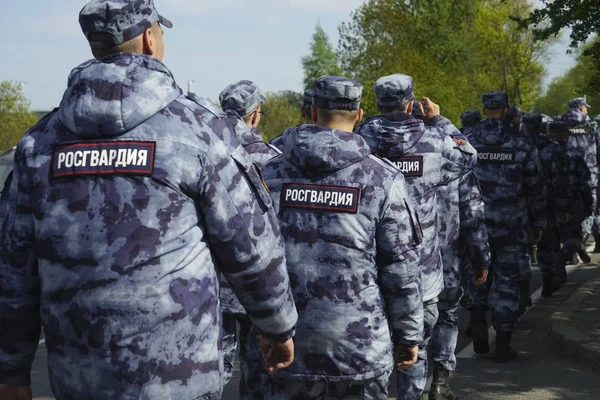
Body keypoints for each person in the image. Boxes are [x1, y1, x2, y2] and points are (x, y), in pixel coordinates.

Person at [0, 1, 298, 399]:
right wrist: (277, 327)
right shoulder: (198, 129)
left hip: (78, 380)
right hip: (180, 379)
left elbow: (14, 270)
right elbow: (249, 244)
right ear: (149, 38)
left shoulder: (39, 144)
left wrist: (12, 371)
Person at [259, 75, 425, 399]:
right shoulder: (383, 178)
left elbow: (252, 259)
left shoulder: (269, 173)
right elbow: (401, 269)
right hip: (359, 351)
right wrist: (408, 336)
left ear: (311, 111)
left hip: (286, 347)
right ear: (360, 115)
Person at [355, 73, 477, 400]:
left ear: (377, 104)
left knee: (374, 345)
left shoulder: (359, 140)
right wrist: (438, 120)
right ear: (412, 104)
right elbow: (468, 156)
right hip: (421, 270)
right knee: (417, 344)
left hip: (370, 267)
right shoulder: (433, 141)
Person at [465, 91, 546, 362]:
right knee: (507, 284)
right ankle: (503, 341)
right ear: (507, 109)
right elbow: (535, 186)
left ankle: (477, 317)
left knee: (478, 274)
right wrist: (538, 222)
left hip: (477, 225)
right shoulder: (521, 141)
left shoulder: (469, 141)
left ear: (484, 108)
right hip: (513, 226)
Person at [217, 80, 282, 390]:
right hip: (258, 282)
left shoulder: (206, 150)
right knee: (257, 368)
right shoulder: (272, 159)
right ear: (255, 116)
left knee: (214, 368)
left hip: (213, 283)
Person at [522, 113, 563, 297]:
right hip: (546, 202)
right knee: (547, 243)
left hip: (521, 203)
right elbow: (559, 178)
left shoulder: (518, 144)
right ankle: (548, 279)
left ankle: (522, 289)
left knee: (522, 247)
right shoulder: (551, 147)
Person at [548, 121, 594, 283]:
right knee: (572, 234)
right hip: (571, 202)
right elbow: (584, 181)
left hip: (549, 202)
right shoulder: (573, 155)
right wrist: (589, 204)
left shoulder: (543, 154)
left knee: (553, 237)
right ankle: (566, 255)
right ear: (565, 135)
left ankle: (571, 252)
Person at [562, 98, 600, 254]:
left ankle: (571, 241)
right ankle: (583, 240)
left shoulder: (561, 123)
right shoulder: (591, 125)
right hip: (590, 174)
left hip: (565, 174)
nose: (587, 110)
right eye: (585, 107)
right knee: (592, 209)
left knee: (569, 210)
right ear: (580, 107)